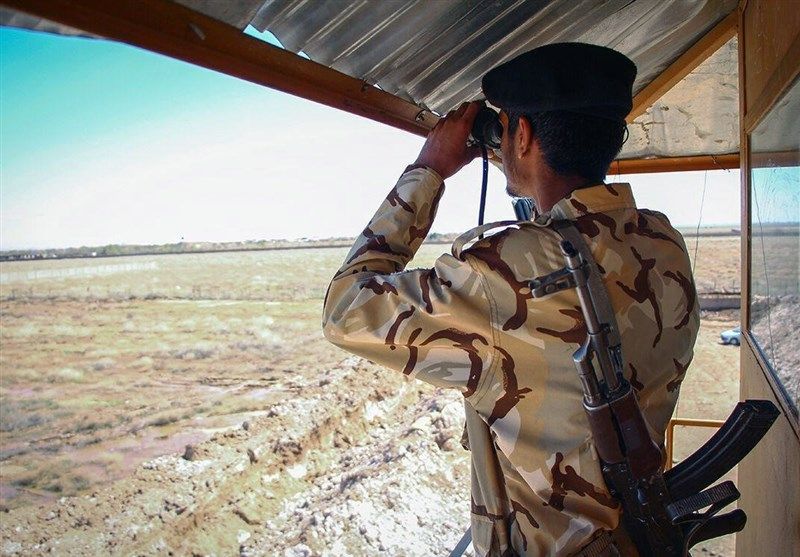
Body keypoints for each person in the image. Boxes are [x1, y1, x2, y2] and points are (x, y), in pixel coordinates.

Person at [322, 43, 699, 556]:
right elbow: (568, 232)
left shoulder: (500, 272)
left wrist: (428, 168)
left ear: (521, 134)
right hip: (642, 536)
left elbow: (345, 310)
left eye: (504, 130)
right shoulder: (661, 241)